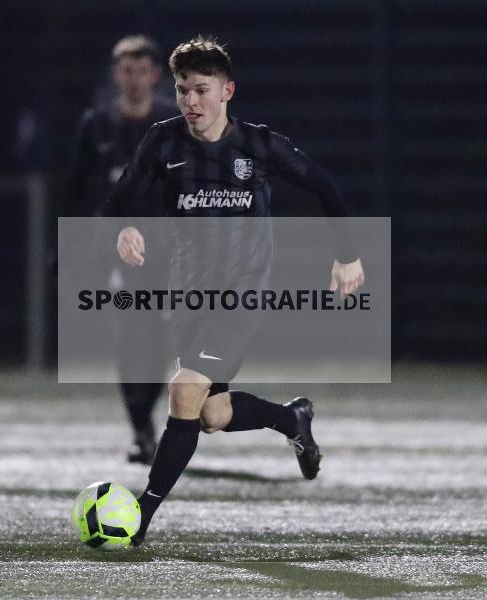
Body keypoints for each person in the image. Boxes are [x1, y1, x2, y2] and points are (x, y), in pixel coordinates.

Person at [105, 35, 365, 546]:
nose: (190, 102)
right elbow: (121, 197)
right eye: (182, 90)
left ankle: (140, 517)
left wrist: (348, 254)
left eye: (202, 90)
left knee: (183, 391)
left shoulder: (258, 145)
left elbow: (325, 187)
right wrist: (126, 226)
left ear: (228, 91)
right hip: (189, 294)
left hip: (242, 292)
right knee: (211, 414)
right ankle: (292, 418)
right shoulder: (163, 141)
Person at [69, 35, 177, 464]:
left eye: (142, 70)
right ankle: (140, 429)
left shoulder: (174, 123)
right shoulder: (96, 125)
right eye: (126, 70)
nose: (134, 79)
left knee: (161, 338)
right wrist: (68, 247)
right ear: (116, 75)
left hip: (167, 247)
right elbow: (75, 190)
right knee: (129, 336)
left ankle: (146, 419)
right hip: (114, 249)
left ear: (155, 75)